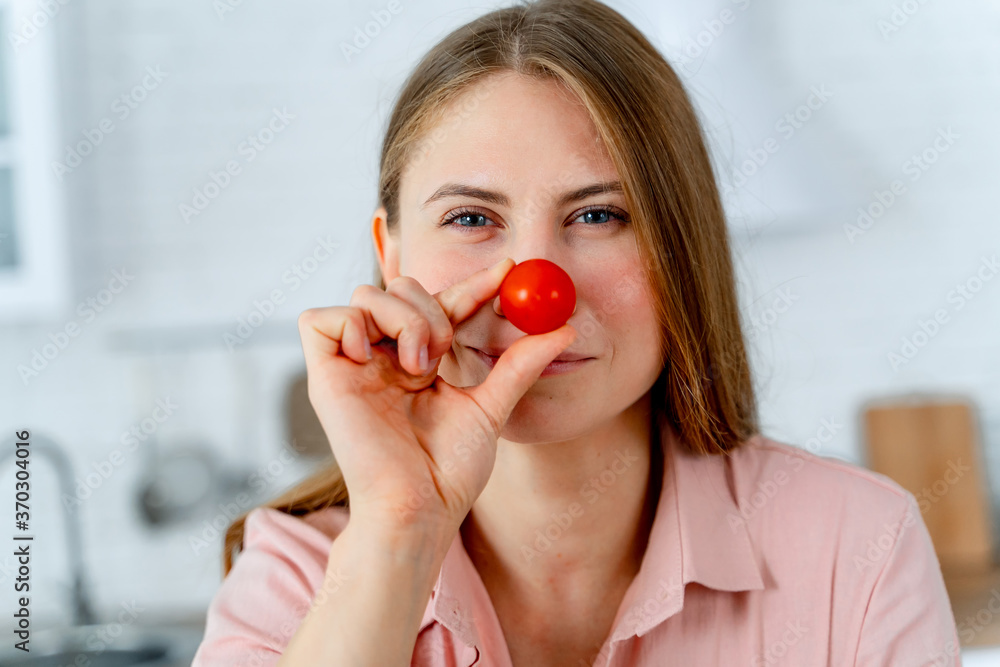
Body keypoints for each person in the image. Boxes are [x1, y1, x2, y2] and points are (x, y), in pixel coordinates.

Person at [191, 1, 962, 665]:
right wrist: (397, 530)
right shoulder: (298, 575)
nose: (538, 296)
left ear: (681, 247)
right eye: (470, 218)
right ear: (390, 254)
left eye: (599, 215)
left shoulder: (857, 546)